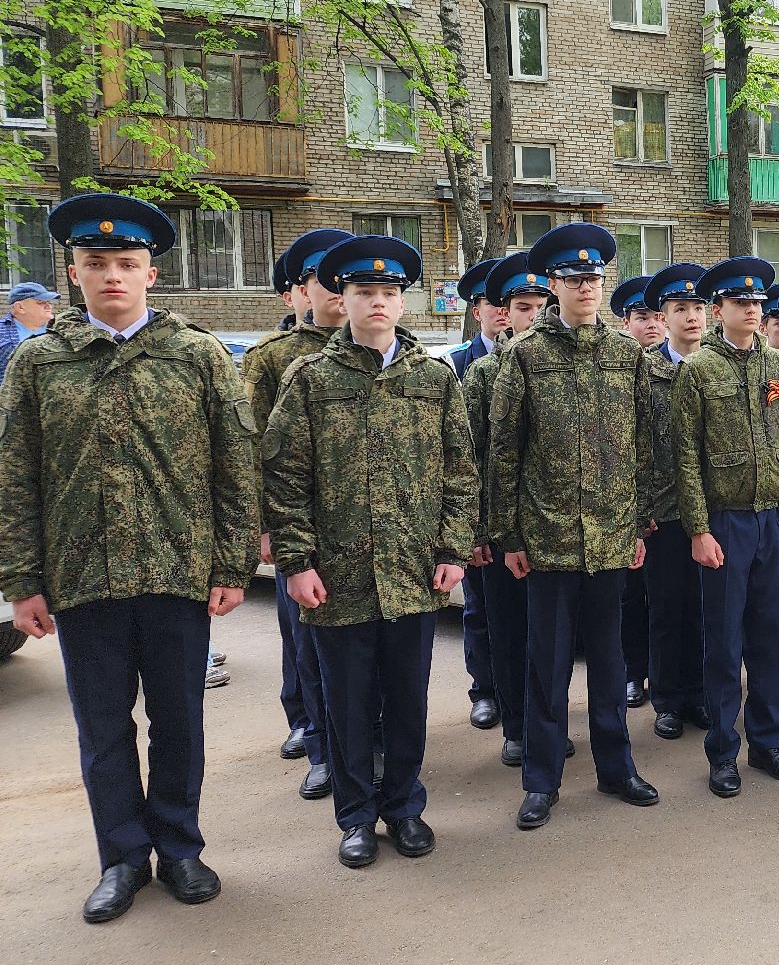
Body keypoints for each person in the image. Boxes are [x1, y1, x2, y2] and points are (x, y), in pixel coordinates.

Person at [1, 193, 257, 923]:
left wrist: (231, 566)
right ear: (74, 274)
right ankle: (120, 857)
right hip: (84, 578)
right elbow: (16, 474)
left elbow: (232, 468)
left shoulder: (198, 355)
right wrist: (22, 581)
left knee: (178, 722)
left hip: (178, 573)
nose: (112, 274)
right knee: (103, 728)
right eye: (96, 263)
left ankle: (178, 848)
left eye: (126, 263)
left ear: (151, 273)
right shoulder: (38, 362)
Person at [263, 234, 477, 868]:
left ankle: (405, 807)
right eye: (363, 293)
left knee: (408, 699)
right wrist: (297, 562)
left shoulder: (434, 378)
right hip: (339, 576)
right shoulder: (309, 377)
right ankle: (356, 816)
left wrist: (454, 548)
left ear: (403, 303)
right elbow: (285, 475)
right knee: (347, 703)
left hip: (414, 571)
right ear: (342, 299)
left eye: (388, 293)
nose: (377, 303)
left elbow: (461, 471)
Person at [489, 223, 658, 830]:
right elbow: (504, 451)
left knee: (610, 664)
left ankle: (617, 768)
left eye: (591, 277)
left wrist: (640, 522)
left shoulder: (625, 355)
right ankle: (541, 781)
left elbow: (645, 445)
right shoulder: (524, 357)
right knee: (548, 666)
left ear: (602, 282)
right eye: (570, 278)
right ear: (552, 286)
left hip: (612, 536)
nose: (583, 286)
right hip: (548, 540)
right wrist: (507, 535)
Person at [671, 256, 779, 797]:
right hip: (726, 524)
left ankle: (769, 743)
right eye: (740, 303)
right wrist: (698, 528)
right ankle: (722, 752)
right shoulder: (699, 370)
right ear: (719, 309)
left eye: (757, 302)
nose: (752, 310)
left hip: (775, 521)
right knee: (725, 643)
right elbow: (684, 455)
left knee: (773, 636)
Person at [244, 227, 352, 801]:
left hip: (368, 532)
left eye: (345, 279)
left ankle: (368, 741)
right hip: (300, 532)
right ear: (302, 289)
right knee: (305, 642)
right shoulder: (273, 359)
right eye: (322, 279)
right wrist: (266, 527)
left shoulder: (382, 352)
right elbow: (254, 447)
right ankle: (319, 743)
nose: (336, 290)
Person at [465, 251, 555, 769]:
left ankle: (548, 722)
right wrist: (479, 530)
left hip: (551, 526)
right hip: (503, 531)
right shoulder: (482, 374)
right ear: (503, 312)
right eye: (522, 306)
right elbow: (471, 458)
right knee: (508, 629)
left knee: (549, 636)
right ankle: (518, 728)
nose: (533, 314)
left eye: (540, 303)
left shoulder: (553, 363)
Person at [638, 263, 713, 741]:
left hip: (713, 509)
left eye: (697, 307)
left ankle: (702, 694)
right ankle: (666, 698)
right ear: (662, 317)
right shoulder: (644, 371)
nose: (690, 317)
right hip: (663, 510)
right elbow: (635, 444)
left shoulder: (718, 365)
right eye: (679, 308)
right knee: (667, 608)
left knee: (709, 609)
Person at [447, 258, 504, 732]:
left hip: (520, 515)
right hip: (477, 511)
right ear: (477, 308)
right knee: (479, 608)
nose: (505, 312)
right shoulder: (459, 365)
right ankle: (484, 690)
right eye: (495, 302)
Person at [611, 273, 660, 709]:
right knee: (630, 598)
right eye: (641, 317)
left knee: (665, 602)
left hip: (668, 506)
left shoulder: (681, 367)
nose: (651, 325)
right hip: (626, 505)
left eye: (655, 317)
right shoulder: (617, 367)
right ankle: (632, 673)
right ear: (626, 322)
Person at [0, 279, 60, 383]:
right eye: (41, 302)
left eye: (49, 302)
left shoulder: (60, 330)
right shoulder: (2, 334)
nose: (48, 306)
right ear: (20, 307)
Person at [613, 274, 665, 350]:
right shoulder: (613, 358)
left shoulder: (683, 359)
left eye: (658, 318)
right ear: (626, 322)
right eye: (643, 318)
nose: (652, 325)